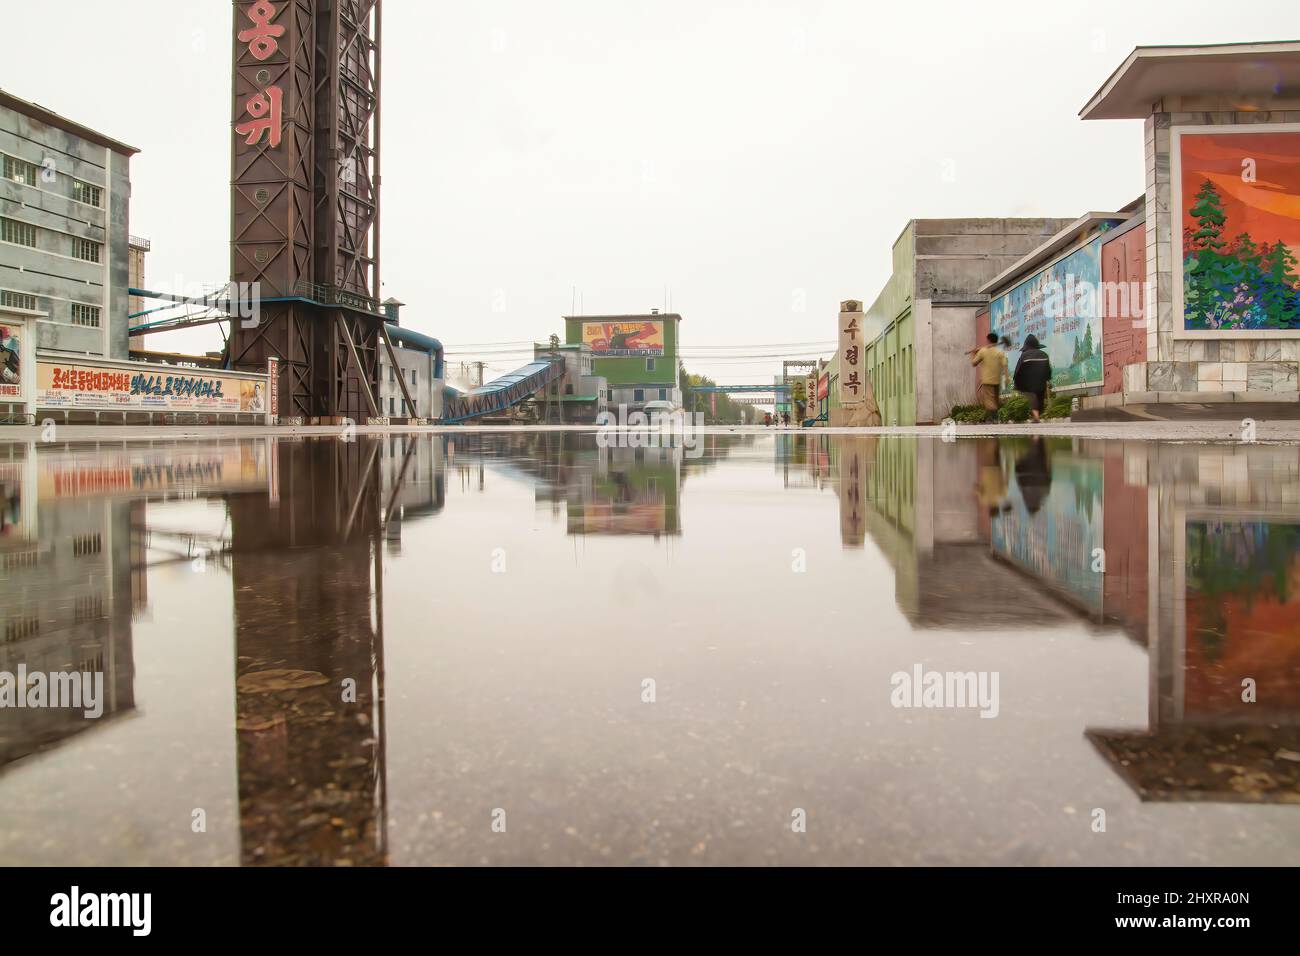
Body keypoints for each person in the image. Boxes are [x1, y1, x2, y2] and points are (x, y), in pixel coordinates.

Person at [967, 332, 1008, 422]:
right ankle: (992, 418)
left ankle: (994, 417)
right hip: (997, 380)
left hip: (987, 380)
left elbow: (974, 363)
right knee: (995, 400)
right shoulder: (999, 352)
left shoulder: (983, 351)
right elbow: (1005, 365)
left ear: (988, 340)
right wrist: (1007, 378)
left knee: (989, 401)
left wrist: (973, 354)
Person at [1012, 334, 1052, 423]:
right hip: (1041, 381)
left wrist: (1016, 382)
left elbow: (1018, 370)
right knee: (1040, 397)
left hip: (1028, 382)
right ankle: (1037, 415)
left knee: (1032, 395)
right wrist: (1048, 379)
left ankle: (1036, 416)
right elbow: (1048, 369)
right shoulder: (1044, 354)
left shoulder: (1024, 355)